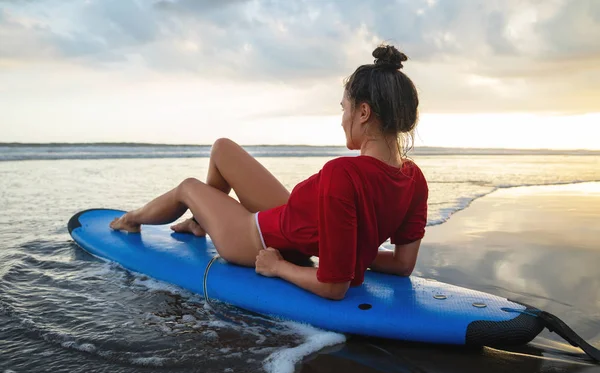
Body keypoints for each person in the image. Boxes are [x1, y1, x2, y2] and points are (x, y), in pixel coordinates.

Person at [109, 44, 428, 301]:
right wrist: (355, 252)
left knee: (188, 187)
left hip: (253, 238)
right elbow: (402, 265)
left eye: (343, 108)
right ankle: (198, 222)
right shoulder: (414, 180)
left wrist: (279, 268)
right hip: (298, 223)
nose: (341, 119)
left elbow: (334, 287)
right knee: (222, 148)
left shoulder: (342, 172)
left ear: (363, 112)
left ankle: (130, 219)